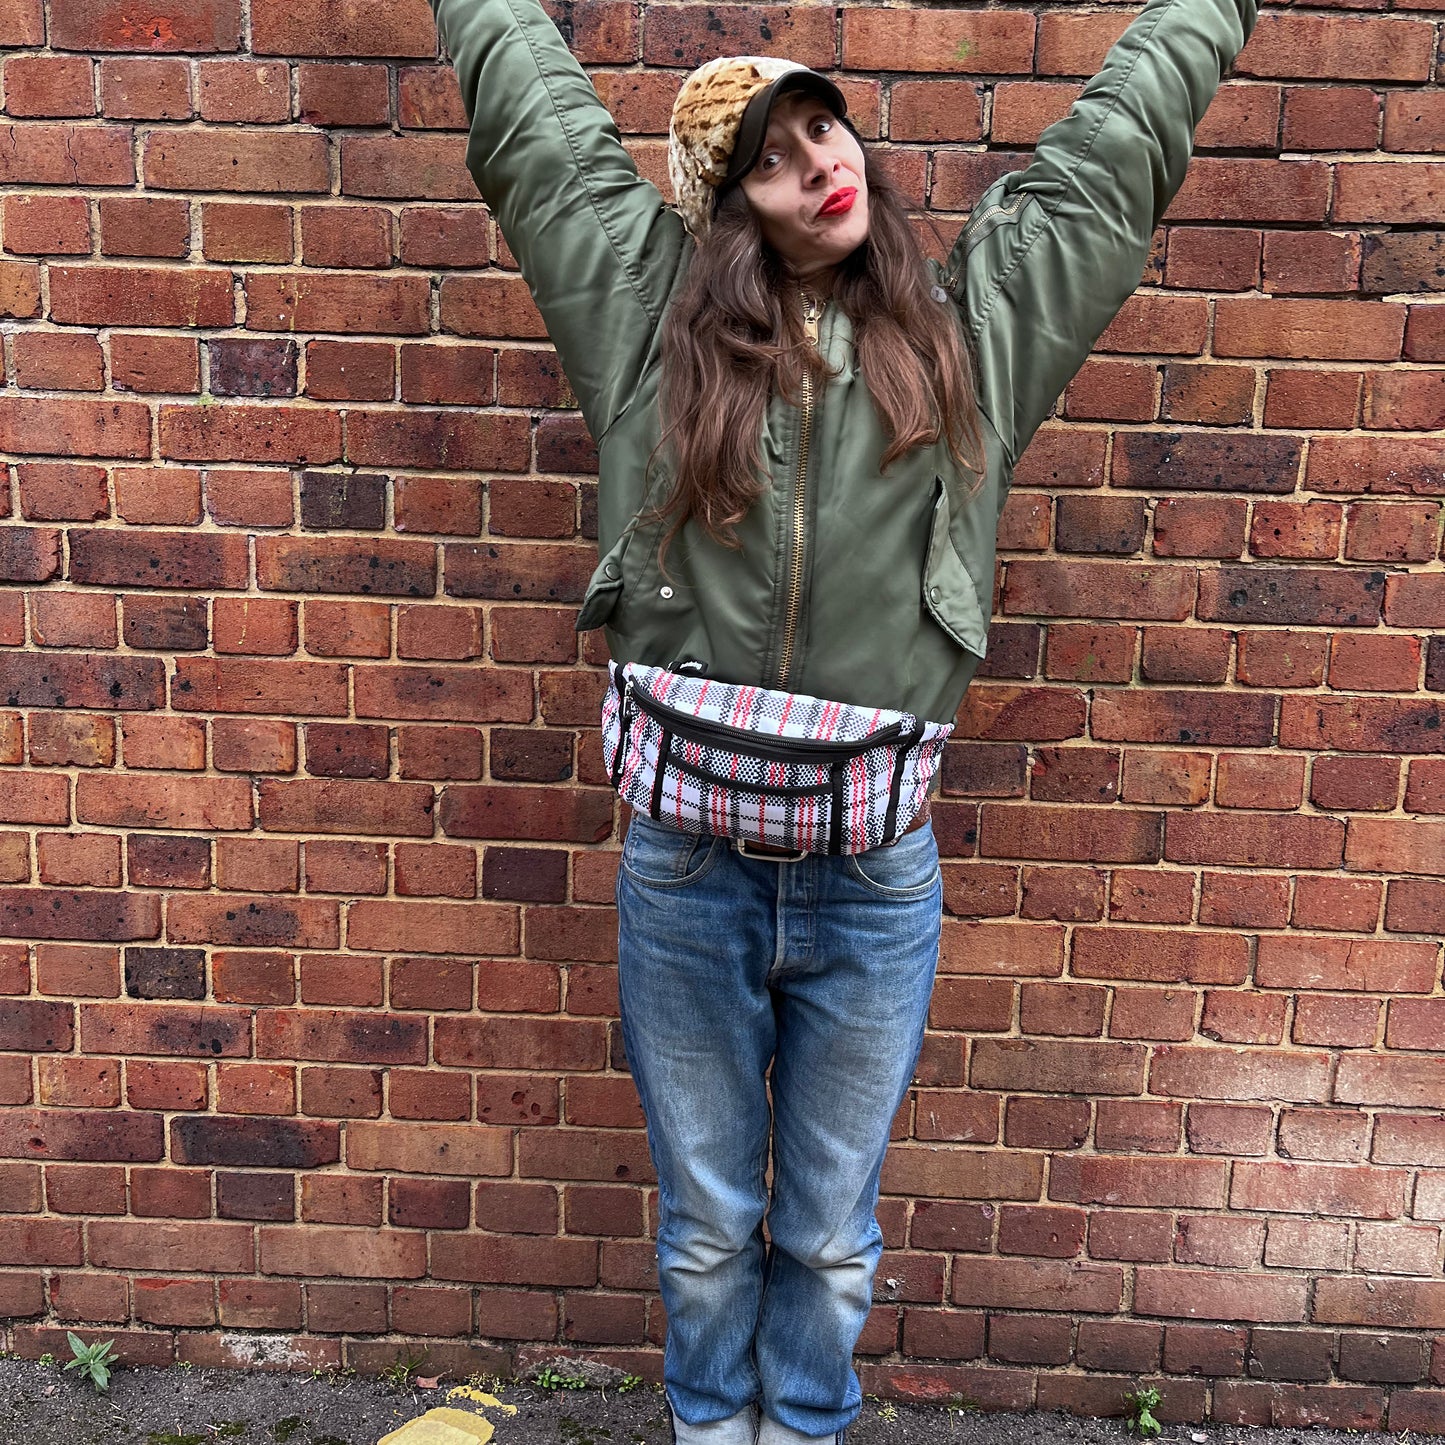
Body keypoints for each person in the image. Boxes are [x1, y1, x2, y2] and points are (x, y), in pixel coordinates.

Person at [427, 0, 1260, 1441]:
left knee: (824, 1235)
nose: (819, 163)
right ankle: (710, 1427)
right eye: (769, 157)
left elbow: (1115, 150)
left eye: (823, 128)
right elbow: (532, 118)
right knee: (705, 1227)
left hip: (871, 882)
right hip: (687, 874)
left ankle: (800, 1430)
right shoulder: (644, 320)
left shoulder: (973, 331)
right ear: (725, 210)